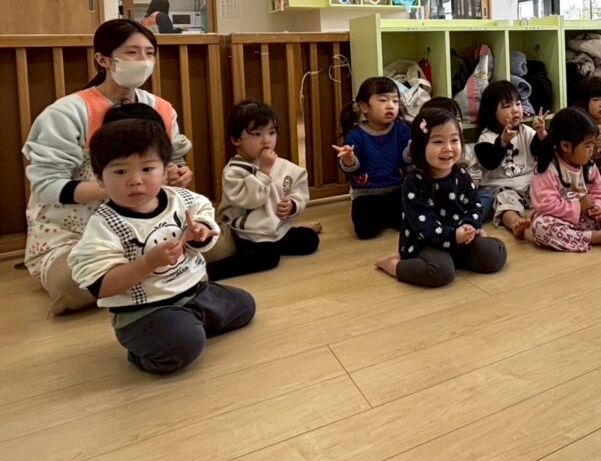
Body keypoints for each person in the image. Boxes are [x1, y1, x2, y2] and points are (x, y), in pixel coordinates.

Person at [22, 19, 193, 316]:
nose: (143, 61)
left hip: (150, 223)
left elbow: (174, 158)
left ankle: (133, 275)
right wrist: (116, 189)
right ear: (102, 59)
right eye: (132, 52)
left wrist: (178, 172)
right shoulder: (66, 113)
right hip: (76, 231)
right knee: (71, 285)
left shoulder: (161, 109)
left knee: (218, 244)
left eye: (149, 53)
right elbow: (47, 186)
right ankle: (148, 275)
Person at [67, 118, 255, 374]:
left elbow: (204, 214)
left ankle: (190, 324)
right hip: (145, 312)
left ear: (165, 170)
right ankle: (145, 353)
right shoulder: (105, 225)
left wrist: (200, 232)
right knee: (183, 346)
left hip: (194, 293)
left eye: (147, 169)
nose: (135, 180)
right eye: (120, 172)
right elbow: (101, 286)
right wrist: (148, 263)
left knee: (245, 305)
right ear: (100, 179)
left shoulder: (181, 198)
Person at [374, 107, 507, 287]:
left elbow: (474, 205)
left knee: (495, 254)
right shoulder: (414, 183)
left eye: (454, 140)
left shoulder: (461, 175)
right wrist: (452, 236)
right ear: (420, 146)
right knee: (441, 272)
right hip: (427, 242)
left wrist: (470, 224)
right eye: (438, 142)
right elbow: (423, 224)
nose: (448, 148)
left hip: (460, 236)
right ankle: (393, 265)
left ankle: (457, 257)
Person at [206, 100, 321, 280]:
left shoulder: (281, 164)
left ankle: (281, 240)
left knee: (310, 240)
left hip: (277, 229)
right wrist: (264, 171)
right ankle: (209, 272)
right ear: (236, 140)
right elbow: (252, 200)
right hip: (248, 234)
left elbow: (298, 187)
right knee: (268, 257)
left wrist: (293, 204)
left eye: (272, 133)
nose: (267, 140)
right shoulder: (233, 171)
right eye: (257, 134)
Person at [529, 108, 601, 252]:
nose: (592, 150)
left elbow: (598, 192)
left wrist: (598, 208)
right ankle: (593, 237)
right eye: (587, 145)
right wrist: (579, 206)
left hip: (587, 219)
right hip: (561, 220)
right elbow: (546, 206)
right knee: (540, 226)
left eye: (593, 144)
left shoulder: (589, 165)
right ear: (566, 146)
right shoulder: (547, 168)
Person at [334, 77, 411, 239]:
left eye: (395, 101)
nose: (390, 105)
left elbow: (406, 160)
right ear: (364, 107)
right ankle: (382, 217)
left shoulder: (401, 129)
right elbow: (352, 167)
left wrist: (412, 150)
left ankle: (388, 216)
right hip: (366, 194)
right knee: (365, 232)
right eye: (383, 100)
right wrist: (348, 158)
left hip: (397, 190)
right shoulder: (356, 135)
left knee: (407, 223)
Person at [474, 81, 547, 238]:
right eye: (507, 106)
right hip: (502, 186)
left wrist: (541, 134)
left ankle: (551, 215)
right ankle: (515, 222)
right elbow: (490, 162)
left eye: (518, 104)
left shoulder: (526, 131)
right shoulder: (487, 137)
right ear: (491, 111)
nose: (515, 109)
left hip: (528, 183)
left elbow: (539, 152)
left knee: (548, 189)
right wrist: (502, 142)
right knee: (506, 202)